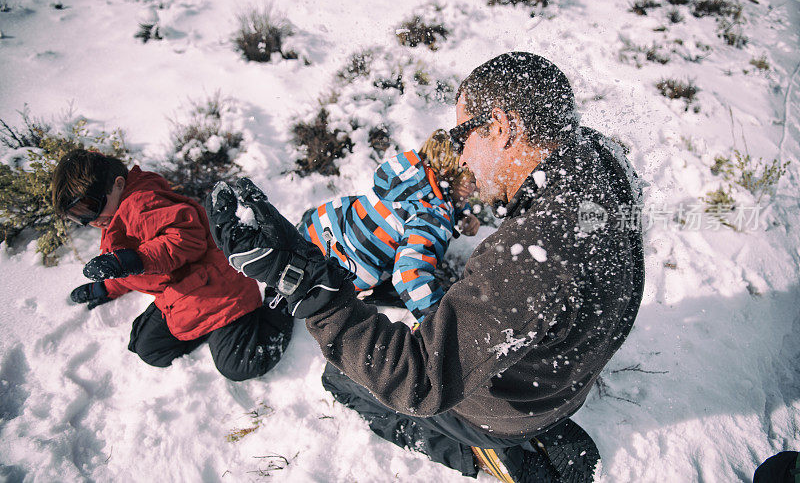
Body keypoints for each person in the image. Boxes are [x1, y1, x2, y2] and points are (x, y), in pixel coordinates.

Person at [205, 51, 645, 481]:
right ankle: (532, 418)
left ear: (500, 127)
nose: (461, 155)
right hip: (566, 376)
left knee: (341, 378)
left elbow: (418, 380)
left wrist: (307, 286)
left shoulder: (530, 259)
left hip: (510, 408)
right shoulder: (600, 160)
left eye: (463, 135)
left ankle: (484, 452)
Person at [51, 149, 293, 381]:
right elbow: (127, 266)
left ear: (118, 184)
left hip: (223, 291)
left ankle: (279, 298)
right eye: (78, 216)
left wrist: (133, 260)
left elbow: (186, 239)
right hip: (185, 295)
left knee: (242, 364)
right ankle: (211, 330)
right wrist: (106, 287)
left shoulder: (142, 203)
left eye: (91, 207)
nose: (91, 221)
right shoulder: (113, 217)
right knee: (147, 348)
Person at [298, 129, 479, 323]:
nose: (476, 187)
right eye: (472, 181)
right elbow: (409, 274)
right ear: (448, 175)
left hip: (320, 222)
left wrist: (461, 214)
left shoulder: (409, 172)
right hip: (342, 267)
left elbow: (437, 195)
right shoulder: (432, 217)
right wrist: (439, 322)